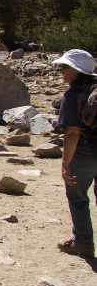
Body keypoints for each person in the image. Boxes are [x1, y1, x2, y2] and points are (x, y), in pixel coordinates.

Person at [54, 49, 97, 256]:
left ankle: (84, 243)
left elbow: (72, 134)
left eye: (64, 67)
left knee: (78, 198)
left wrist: (65, 163)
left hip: (84, 154)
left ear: (77, 71)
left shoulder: (72, 96)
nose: (60, 70)